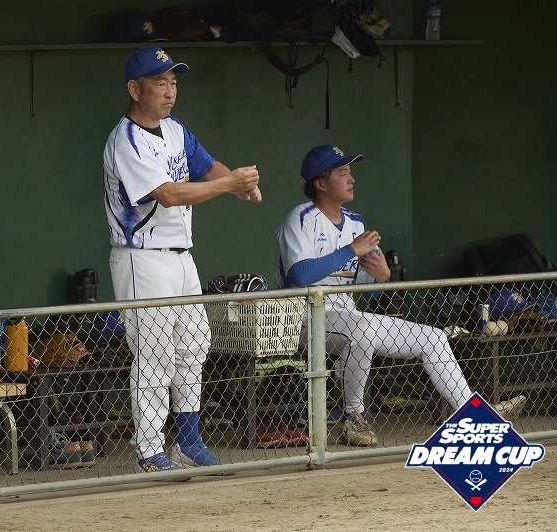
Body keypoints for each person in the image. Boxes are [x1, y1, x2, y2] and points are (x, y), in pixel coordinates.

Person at [274, 144, 527, 446]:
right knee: (362, 331)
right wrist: (351, 249)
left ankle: (474, 416)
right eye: (342, 173)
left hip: (348, 316)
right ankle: (353, 417)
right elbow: (300, 276)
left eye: (350, 171)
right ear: (320, 183)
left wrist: (382, 275)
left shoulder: (355, 222)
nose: (351, 178)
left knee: (433, 337)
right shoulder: (300, 218)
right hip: (304, 319)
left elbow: (370, 284)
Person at [103, 47, 262, 472]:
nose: (170, 90)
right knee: (154, 355)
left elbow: (207, 165)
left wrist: (239, 184)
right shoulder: (125, 140)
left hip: (180, 255)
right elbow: (169, 194)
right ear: (134, 89)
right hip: (142, 258)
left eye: (173, 82)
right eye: (160, 82)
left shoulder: (174, 129)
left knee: (193, 346)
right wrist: (229, 185)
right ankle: (148, 452)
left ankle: (188, 441)